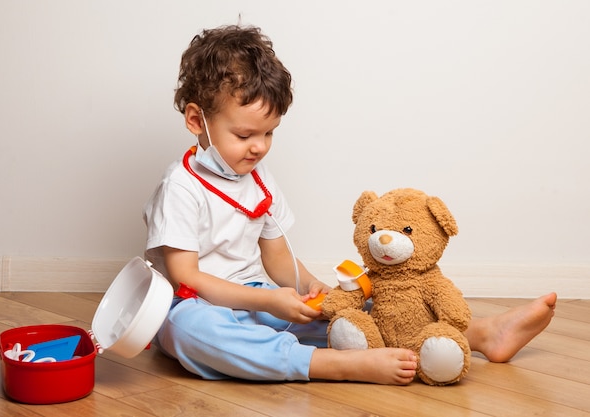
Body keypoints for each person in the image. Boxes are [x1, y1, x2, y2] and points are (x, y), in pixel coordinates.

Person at [143, 24, 556, 385]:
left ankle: (478, 334)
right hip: (197, 306)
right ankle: (335, 364)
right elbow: (188, 278)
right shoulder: (181, 188)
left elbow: (277, 255)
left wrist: (308, 288)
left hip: (259, 299)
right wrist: (269, 301)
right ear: (198, 121)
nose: (259, 148)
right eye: (246, 134)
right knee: (190, 332)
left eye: (269, 134)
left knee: (354, 312)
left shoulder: (257, 177)